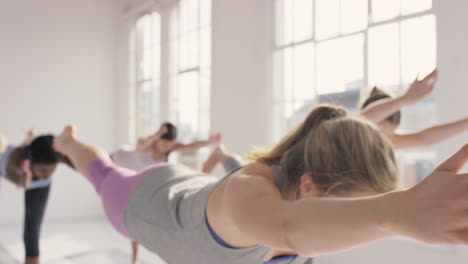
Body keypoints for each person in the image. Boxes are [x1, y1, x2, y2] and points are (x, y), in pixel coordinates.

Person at [53, 105, 468, 264]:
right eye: (350, 209)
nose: (356, 225)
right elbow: (288, 228)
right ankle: (68, 142)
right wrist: (399, 212)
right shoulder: (249, 193)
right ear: (307, 187)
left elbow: (358, 120)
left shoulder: (309, 208)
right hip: (145, 203)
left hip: (195, 188)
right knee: (101, 172)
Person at [112, 122, 221, 264]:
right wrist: (156, 135)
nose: (166, 148)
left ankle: (144, 258)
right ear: (157, 139)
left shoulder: (170, 147)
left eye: (169, 145)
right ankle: (135, 260)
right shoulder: (146, 144)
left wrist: (209, 142)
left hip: (143, 182)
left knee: (145, 219)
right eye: (163, 144)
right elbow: (141, 145)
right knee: (133, 222)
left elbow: (191, 146)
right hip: (123, 167)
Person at [0, 131, 73, 264]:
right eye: (43, 170)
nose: (47, 175)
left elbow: (80, 159)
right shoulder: (17, 158)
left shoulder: (47, 173)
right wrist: (24, 173)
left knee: (33, 224)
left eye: (52, 171)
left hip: (39, 187)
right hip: (7, 168)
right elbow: (14, 166)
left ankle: (32, 259)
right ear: (31, 159)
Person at [360, 69, 468, 149]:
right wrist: (404, 100)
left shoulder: (387, 143)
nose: (382, 140)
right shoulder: (348, 136)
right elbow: (360, 122)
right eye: (380, 132)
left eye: (388, 135)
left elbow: (424, 138)